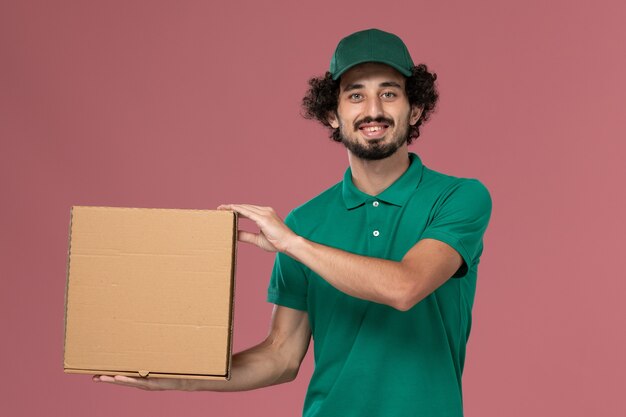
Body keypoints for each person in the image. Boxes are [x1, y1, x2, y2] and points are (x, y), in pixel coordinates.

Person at [94, 28, 492, 417]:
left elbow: (405, 287)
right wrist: (177, 379)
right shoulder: (306, 220)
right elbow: (281, 356)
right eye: (356, 95)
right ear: (332, 115)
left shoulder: (459, 198)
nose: (373, 110)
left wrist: (294, 244)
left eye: (389, 93)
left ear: (415, 109)